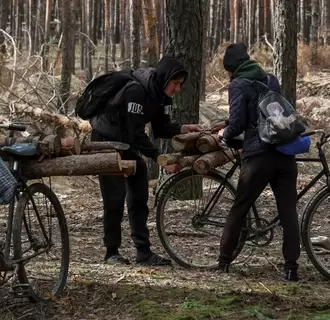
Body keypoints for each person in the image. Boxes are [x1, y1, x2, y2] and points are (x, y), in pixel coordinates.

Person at [90, 56, 203, 266]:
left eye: (181, 84)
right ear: (164, 78)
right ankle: (111, 252)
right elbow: (136, 133)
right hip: (106, 142)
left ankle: (143, 251)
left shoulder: (162, 96)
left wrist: (182, 128)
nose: (178, 88)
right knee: (114, 198)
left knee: (139, 196)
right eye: (175, 83)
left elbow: (160, 128)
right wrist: (160, 159)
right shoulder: (136, 91)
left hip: (126, 142)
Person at [213, 43, 301, 281]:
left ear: (231, 69)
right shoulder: (270, 80)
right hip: (284, 155)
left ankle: (223, 262)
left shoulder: (237, 84)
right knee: (288, 212)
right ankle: (291, 268)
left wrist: (224, 134)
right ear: (249, 60)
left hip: (259, 157)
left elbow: (238, 123)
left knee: (240, 206)